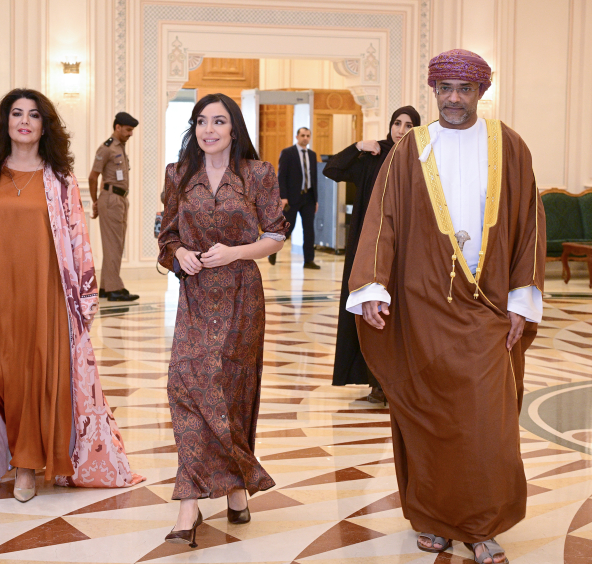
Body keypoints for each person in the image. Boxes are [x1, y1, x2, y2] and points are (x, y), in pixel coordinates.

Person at [346, 50, 544, 564]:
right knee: (428, 415)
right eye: (445, 89)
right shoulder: (410, 148)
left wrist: (522, 298)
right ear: (434, 90)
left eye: (465, 89)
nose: (454, 99)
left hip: (488, 305)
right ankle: (433, 518)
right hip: (422, 306)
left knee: (486, 423)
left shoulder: (510, 146)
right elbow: (384, 218)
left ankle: (482, 525)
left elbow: (529, 225)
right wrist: (373, 286)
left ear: (482, 91)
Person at [0, 89, 143, 502]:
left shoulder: (59, 178)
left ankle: (27, 465)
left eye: (33, 115)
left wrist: (85, 294)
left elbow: (78, 236)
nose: (24, 121)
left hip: (45, 291)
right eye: (16, 113)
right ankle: (4, 452)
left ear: (44, 126)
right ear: (4, 122)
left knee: (34, 375)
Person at [158, 93, 287, 548]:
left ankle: (235, 489)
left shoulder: (257, 174)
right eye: (201, 121)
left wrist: (235, 253)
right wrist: (178, 254)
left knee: (232, 393)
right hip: (195, 297)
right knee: (187, 386)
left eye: (218, 121)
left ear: (234, 129)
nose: (208, 130)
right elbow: (166, 235)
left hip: (241, 295)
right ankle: (188, 507)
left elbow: (276, 234)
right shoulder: (178, 174)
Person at [323, 106, 421, 404]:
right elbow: (332, 169)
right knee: (370, 311)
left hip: (407, 249)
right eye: (397, 123)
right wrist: (358, 146)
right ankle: (376, 382)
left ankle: (402, 382)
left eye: (408, 125)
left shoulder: (422, 160)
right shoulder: (374, 157)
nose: (401, 130)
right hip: (369, 248)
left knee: (401, 315)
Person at [89, 112, 140, 302]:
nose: (130, 133)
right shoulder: (106, 148)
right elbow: (93, 177)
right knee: (113, 245)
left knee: (115, 244)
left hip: (120, 199)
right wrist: (95, 202)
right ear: (117, 127)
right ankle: (114, 288)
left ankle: (105, 286)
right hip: (111, 199)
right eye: (128, 130)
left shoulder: (120, 148)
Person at [272, 127, 320, 268]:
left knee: (309, 230)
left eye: (308, 136)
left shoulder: (312, 155)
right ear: (297, 137)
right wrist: (283, 197)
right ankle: (272, 250)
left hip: (309, 197)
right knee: (288, 228)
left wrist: (316, 199)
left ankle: (309, 260)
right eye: (303, 135)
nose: (305, 138)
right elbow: (281, 176)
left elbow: (314, 178)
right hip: (292, 198)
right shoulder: (288, 153)